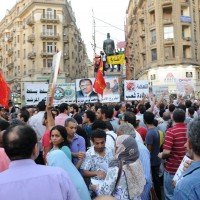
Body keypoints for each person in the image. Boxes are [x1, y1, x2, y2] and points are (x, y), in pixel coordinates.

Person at [0, 125, 80, 200]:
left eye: (57, 136)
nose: (54, 138)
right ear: (35, 149)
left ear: (6, 152)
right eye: (52, 136)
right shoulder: (58, 175)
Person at [94, 135, 146, 199]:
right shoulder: (137, 161)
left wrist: (96, 188)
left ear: (120, 148)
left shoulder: (116, 168)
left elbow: (104, 193)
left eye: (116, 146)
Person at [158, 108, 187, 200]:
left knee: (170, 195)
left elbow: (167, 152)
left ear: (173, 117)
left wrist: (161, 155)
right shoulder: (189, 129)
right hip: (186, 168)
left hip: (172, 169)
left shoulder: (171, 131)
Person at [173, 118, 200, 199]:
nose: (184, 145)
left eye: (187, 141)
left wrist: (180, 184)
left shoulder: (184, 187)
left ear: (190, 144)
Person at [81, 129, 114, 195]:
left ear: (105, 140)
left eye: (102, 143)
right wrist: (97, 173)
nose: (100, 146)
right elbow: (84, 172)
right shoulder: (89, 154)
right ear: (92, 142)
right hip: (96, 188)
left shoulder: (110, 150)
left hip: (110, 184)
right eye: (97, 143)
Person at [144, 111, 161, 200]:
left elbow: (148, 150)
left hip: (153, 161)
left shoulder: (150, 133)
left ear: (145, 121)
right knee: (156, 180)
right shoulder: (156, 129)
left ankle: (157, 197)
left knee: (155, 180)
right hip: (156, 159)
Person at [28, 100, 46, 164]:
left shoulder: (33, 118)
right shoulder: (50, 117)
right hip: (48, 145)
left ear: (38, 108)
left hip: (37, 146)